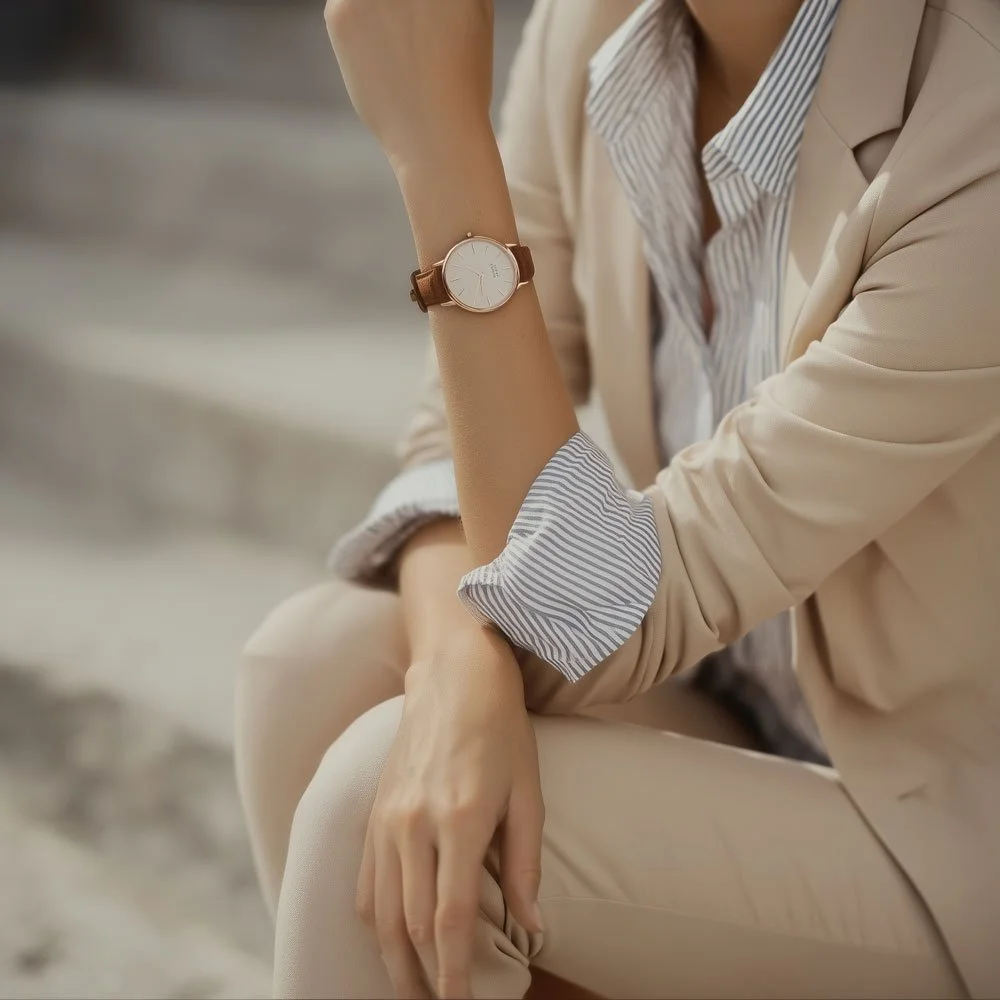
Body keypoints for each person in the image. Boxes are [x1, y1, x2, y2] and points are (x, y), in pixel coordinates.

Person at [235, 0, 1000, 996]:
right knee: (314, 663)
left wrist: (438, 150)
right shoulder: (593, 27)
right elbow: (445, 442)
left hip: (941, 830)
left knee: (372, 797)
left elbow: (580, 618)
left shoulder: (971, 122)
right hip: (737, 706)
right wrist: (458, 662)